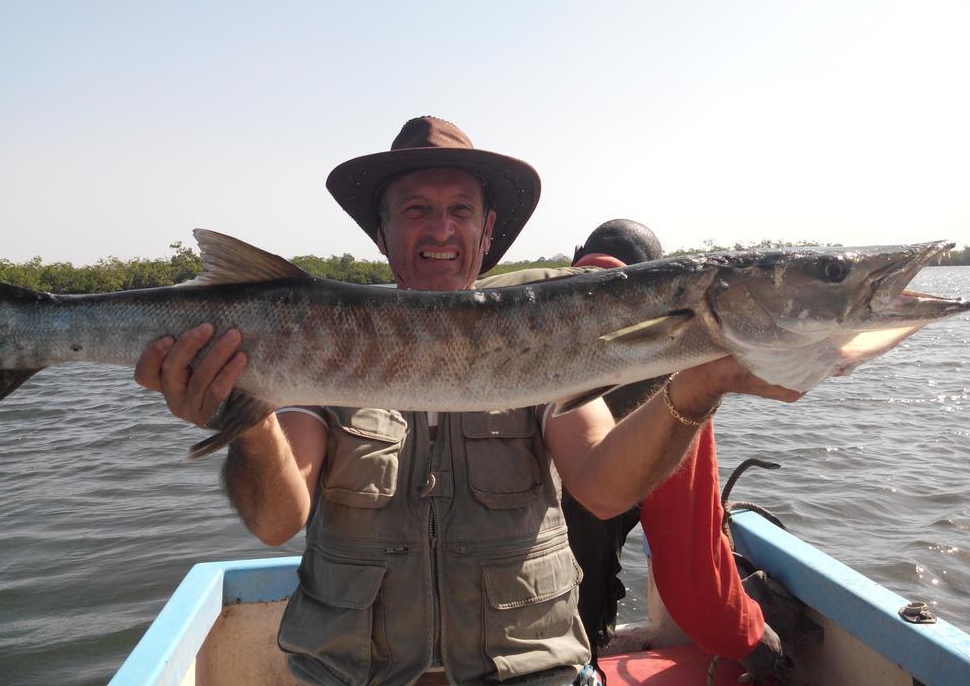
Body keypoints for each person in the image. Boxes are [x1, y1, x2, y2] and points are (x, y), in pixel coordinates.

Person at [134, 116, 802, 686]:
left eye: (459, 210)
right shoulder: (323, 344)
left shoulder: (541, 338)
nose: (441, 228)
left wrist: (700, 384)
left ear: (486, 232)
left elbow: (601, 486)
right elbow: (277, 519)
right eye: (417, 208)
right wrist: (242, 415)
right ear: (382, 231)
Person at [479, 220, 785, 682]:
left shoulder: (491, 316)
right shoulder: (673, 373)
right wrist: (755, 641)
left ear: (577, 254)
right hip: (551, 646)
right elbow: (692, 578)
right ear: (657, 280)